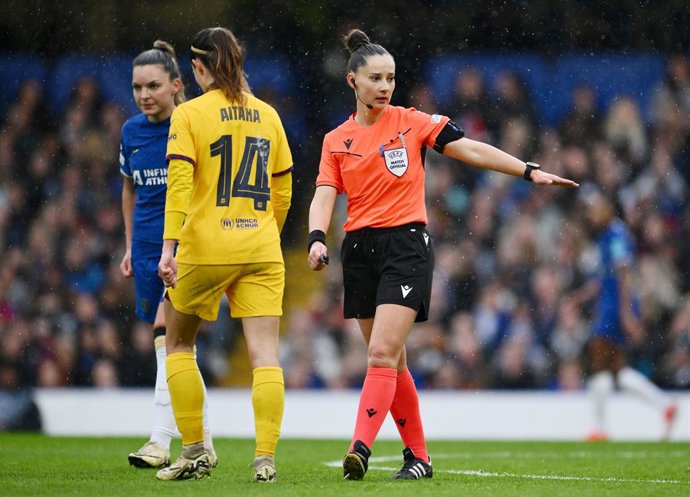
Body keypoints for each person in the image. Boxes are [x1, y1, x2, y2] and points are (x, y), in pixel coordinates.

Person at [306, 29, 579, 481]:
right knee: (393, 361)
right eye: (375, 78)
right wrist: (317, 236)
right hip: (358, 250)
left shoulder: (412, 122)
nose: (385, 86)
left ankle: (359, 448)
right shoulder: (336, 139)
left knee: (379, 355)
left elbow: (469, 147)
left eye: (390, 78)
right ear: (352, 81)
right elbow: (323, 194)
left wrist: (526, 170)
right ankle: (419, 459)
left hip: (406, 246)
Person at [156, 27, 293, 482]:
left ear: (197, 68)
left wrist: (169, 248)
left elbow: (178, 187)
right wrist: (263, 233)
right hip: (260, 247)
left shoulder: (189, 114)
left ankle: (194, 450)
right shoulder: (268, 114)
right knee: (265, 356)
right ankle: (265, 457)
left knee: (178, 343)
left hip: (205, 247)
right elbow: (284, 187)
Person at [118, 40, 216, 469]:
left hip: (185, 246)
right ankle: (204, 440)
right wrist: (128, 245)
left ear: (177, 84)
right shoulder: (131, 131)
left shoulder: (193, 122)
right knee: (178, 346)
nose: (144, 95)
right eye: (138, 87)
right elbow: (129, 188)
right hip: (144, 247)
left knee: (168, 333)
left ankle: (159, 439)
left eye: (153, 85)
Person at [568, 186, 677, 442]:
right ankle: (664, 405)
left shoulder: (616, 234)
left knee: (597, 360)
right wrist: (579, 296)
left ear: (609, 208)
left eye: (596, 208)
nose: (592, 214)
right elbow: (604, 278)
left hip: (615, 306)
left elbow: (623, 275)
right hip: (611, 303)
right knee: (615, 369)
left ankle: (600, 428)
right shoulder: (606, 236)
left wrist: (627, 314)